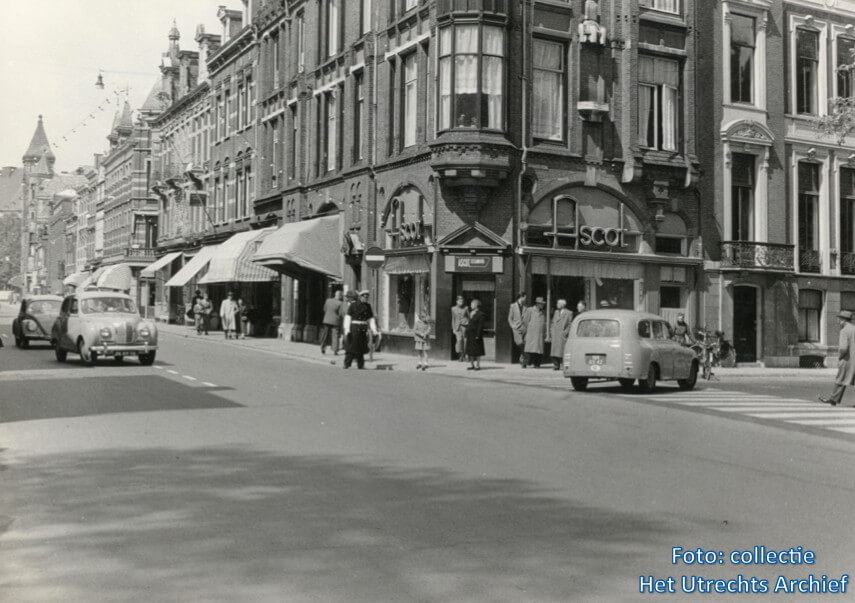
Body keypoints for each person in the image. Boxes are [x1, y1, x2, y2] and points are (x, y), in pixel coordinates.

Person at [819, 310, 855, 406]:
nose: (839, 321)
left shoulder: (844, 331)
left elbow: (843, 348)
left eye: (840, 319)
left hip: (848, 360)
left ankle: (833, 399)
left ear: (843, 320)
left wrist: (839, 357)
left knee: (840, 379)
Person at [343, 289, 378, 369]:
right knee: (352, 347)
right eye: (364, 296)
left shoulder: (368, 306)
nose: (365, 298)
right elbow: (348, 317)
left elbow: (370, 319)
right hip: (354, 328)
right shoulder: (353, 305)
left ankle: (360, 365)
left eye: (367, 297)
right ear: (360, 297)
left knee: (361, 348)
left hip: (363, 328)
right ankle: (347, 364)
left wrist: (374, 329)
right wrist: (346, 329)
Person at [522, 296, 547, 368]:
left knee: (538, 350)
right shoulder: (530, 310)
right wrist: (528, 330)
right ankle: (525, 362)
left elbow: (544, 323)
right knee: (529, 349)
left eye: (543, 304)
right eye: (541, 304)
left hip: (539, 334)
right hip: (531, 334)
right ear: (537, 304)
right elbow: (525, 321)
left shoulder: (542, 312)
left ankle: (537, 363)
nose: (542, 305)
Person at [549, 299, 573, 370]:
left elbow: (570, 324)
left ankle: (563, 364)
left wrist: (566, 332)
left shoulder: (569, 313)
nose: (557, 305)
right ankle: (556, 364)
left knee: (562, 350)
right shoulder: (556, 312)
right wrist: (551, 331)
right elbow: (553, 322)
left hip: (562, 334)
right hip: (555, 334)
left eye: (558, 303)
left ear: (563, 305)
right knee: (554, 350)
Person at [465, 299, 486, 371]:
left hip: (476, 334)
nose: (470, 306)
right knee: (470, 350)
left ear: (476, 305)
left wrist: (478, 335)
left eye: (472, 304)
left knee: (477, 351)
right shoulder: (471, 313)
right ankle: (472, 365)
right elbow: (469, 323)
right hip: (470, 334)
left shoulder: (481, 314)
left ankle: (478, 365)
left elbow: (480, 326)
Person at [320, 290, 343, 354]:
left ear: (335, 295)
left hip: (327, 320)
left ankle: (323, 348)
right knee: (335, 335)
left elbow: (324, 309)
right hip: (335, 321)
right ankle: (335, 350)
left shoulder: (328, 300)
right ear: (340, 296)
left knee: (325, 335)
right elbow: (340, 313)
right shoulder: (340, 303)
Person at [508, 292, 527, 366]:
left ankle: (523, 360)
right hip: (516, 328)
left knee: (524, 343)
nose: (525, 299)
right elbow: (510, 318)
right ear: (521, 297)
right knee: (519, 343)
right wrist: (513, 326)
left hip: (524, 328)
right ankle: (523, 356)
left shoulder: (525, 307)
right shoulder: (512, 306)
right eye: (525, 297)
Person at [451, 295, 469, 361]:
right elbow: (453, 319)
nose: (461, 302)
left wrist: (467, 322)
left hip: (464, 326)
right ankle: (461, 355)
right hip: (457, 328)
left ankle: (464, 356)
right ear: (457, 301)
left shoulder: (466, 308)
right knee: (459, 341)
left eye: (462, 301)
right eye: (459, 301)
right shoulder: (453, 309)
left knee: (465, 341)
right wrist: (453, 328)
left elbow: (469, 317)